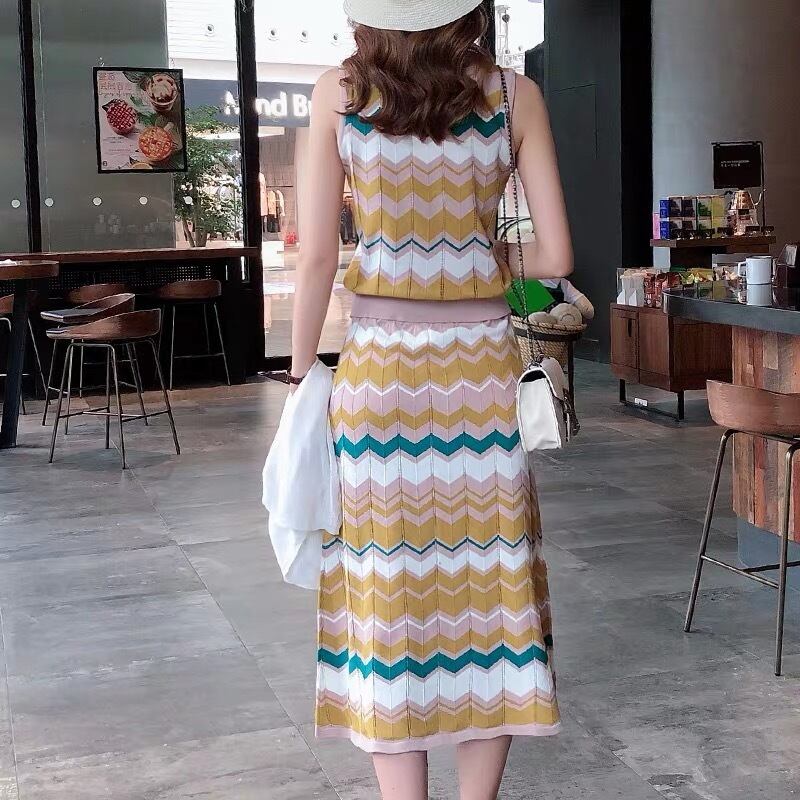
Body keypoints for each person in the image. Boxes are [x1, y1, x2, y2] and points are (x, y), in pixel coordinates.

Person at [289, 1, 573, 797]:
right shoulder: (514, 96)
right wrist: (480, 255)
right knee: (491, 594)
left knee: (388, 596)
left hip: (378, 377)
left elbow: (317, 260)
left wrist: (301, 374)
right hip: (481, 374)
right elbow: (556, 254)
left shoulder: (339, 94)